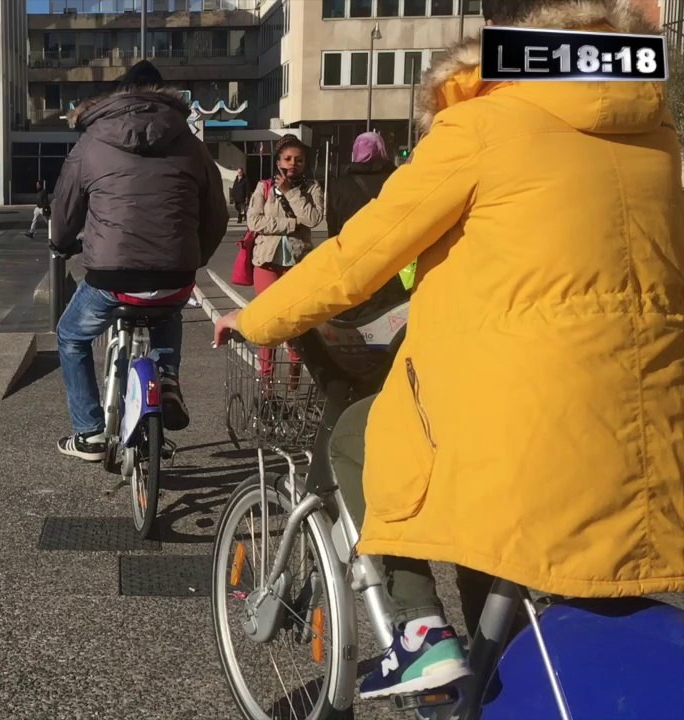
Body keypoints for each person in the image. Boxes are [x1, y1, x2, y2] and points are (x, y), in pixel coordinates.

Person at [213, 0, 684, 700]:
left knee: (358, 436)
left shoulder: (482, 126)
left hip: (520, 403)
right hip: (647, 419)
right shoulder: (658, 137)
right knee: (502, 545)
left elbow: (356, 256)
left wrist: (259, 319)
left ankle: (420, 633)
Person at [50, 59, 229, 461]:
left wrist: (62, 243)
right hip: (176, 270)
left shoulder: (92, 141)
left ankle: (89, 432)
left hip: (111, 275)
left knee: (71, 336)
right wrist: (193, 257)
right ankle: (166, 378)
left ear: (119, 94)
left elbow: (65, 209)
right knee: (169, 307)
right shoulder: (193, 145)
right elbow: (217, 215)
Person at [245, 134, 324, 379]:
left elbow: (313, 219)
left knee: (294, 320)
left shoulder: (311, 188)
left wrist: (291, 193)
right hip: (267, 263)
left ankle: (295, 367)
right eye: (288, 159)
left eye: (298, 160)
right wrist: (290, 224)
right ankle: (266, 380)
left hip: (297, 264)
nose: (293, 164)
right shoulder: (264, 186)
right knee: (268, 321)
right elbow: (255, 221)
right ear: (278, 161)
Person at [327, 131, 394, 237]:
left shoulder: (340, 184)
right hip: (386, 242)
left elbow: (332, 222)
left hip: (351, 244)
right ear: (382, 150)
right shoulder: (395, 179)